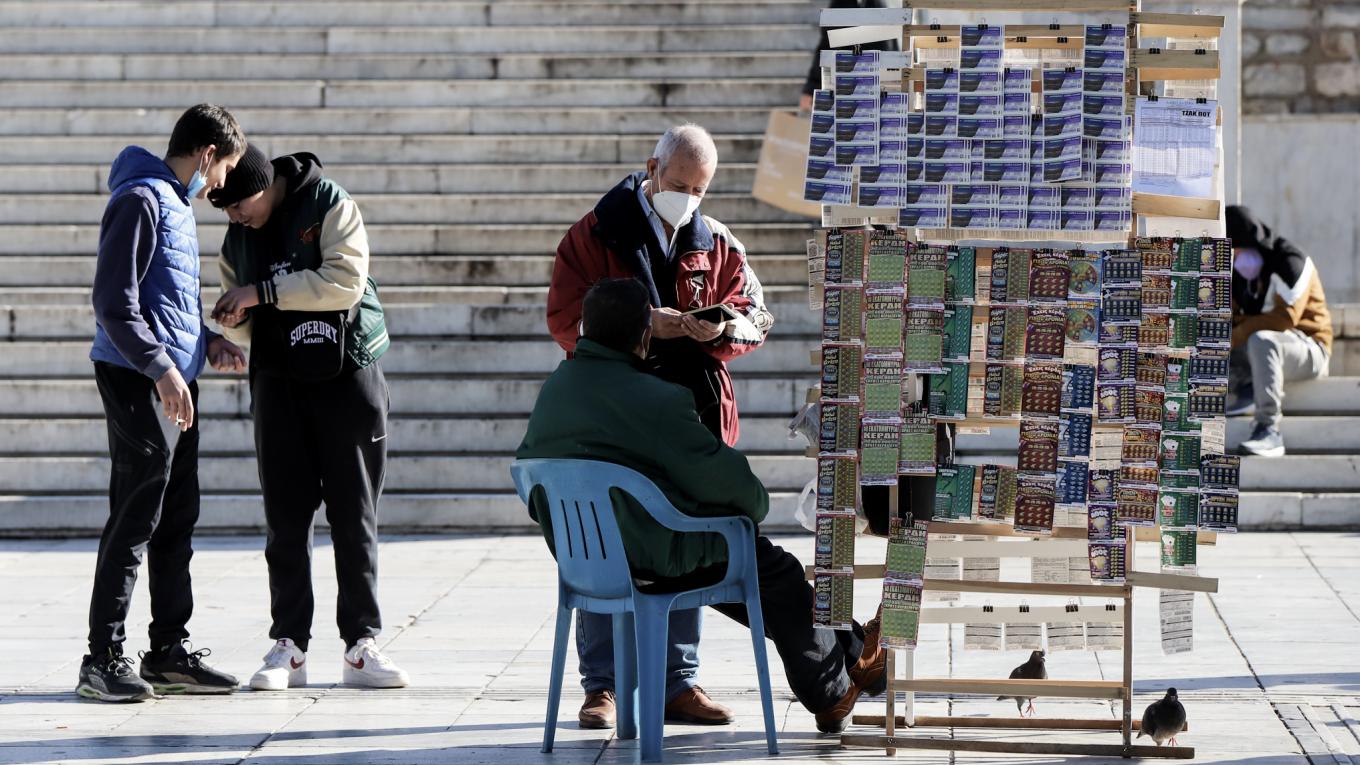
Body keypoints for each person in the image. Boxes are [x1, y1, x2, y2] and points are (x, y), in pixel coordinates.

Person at [518, 278, 885, 734]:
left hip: (583, 563)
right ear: (645, 336)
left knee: (752, 575)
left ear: (584, 329)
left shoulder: (554, 389)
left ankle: (856, 654)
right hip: (655, 557)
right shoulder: (656, 398)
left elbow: (530, 479)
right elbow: (743, 493)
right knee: (772, 569)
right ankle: (832, 692)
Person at [546, 124, 774, 728]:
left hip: (689, 416)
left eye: (700, 189)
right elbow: (566, 318)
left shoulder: (716, 239)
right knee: (605, 541)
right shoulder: (594, 233)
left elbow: (757, 314)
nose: (688, 199)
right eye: (679, 185)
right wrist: (649, 322)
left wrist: (719, 327)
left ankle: (679, 681)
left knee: (686, 542)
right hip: (612, 417)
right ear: (652, 169)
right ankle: (603, 685)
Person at [207, 145, 407, 690]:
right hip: (278, 379)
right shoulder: (238, 235)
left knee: (354, 513)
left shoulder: (329, 202)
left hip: (348, 373)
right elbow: (242, 312)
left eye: (240, 204)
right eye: (226, 210)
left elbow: (345, 280)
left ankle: (361, 644)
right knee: (286, 520)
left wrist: (261, 292)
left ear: (265, 185)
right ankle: (288, 648)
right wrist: (233, 317)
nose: (235, 216)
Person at [81, 104, 248, 702]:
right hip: (136, 377)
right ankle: (102, 658)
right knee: (136, 515)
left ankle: (168, 653)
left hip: (174, 377)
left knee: (177, 516)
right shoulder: (139, 200)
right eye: (224, 169)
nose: (221, 184)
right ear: (207, 153)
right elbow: (113, 301)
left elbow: (166, 303)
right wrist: (161, 369)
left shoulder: (176, 203)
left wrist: (207, 343)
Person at [1225, 206, 1333, 457]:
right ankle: (1245, 387)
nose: (1235, 256)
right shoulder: (1239, 271)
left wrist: (1237, 334)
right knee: (1216, 334)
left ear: (1250, 243)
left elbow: (1285, 319)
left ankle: (1268, 429)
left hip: (1310, 348)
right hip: (1262, 350)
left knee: (1262, 340)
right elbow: (1236, 316)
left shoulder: (1291, 261)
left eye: (1236, 250)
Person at [799, 0, 899, 112]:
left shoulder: (880, 5)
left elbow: (891, 48)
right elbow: (826, 46)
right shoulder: (839, 5)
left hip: (876, 84)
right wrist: (811, 87)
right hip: (845, 84)